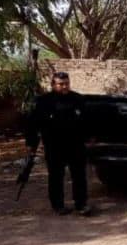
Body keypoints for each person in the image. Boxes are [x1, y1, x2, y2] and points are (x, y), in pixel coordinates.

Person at [26, 72, 91, 215]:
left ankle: (81, 205)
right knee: (55, 176)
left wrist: (90, 138)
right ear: (53, 85)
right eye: (61, 84)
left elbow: (87, 122)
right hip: (54, 146)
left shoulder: (78, 99)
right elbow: (33, 124)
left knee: (79, 176)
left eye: (67, 83)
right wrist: (32, 145)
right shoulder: (44, 102)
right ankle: (58, 205)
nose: (64, 86)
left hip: (76, 145)